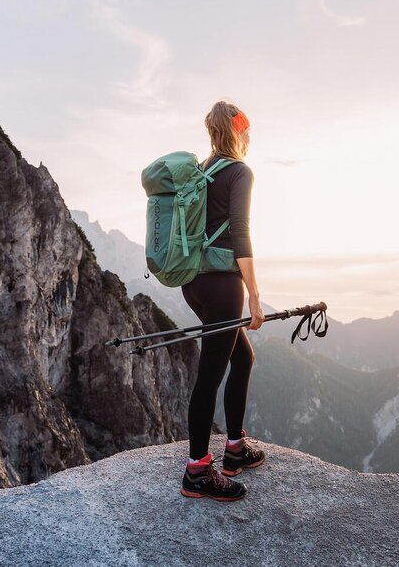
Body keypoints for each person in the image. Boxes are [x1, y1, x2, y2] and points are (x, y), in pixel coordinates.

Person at [179, 100, 266, 501]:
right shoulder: (239, 172)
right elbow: (241, 234)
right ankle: (198, 470)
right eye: (246, 130)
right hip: (222, 284)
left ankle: (234, 448)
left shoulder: (200, 172)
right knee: (209, 376)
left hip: (194, 281)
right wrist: (254, 295)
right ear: (238, 132)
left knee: (242, 358)